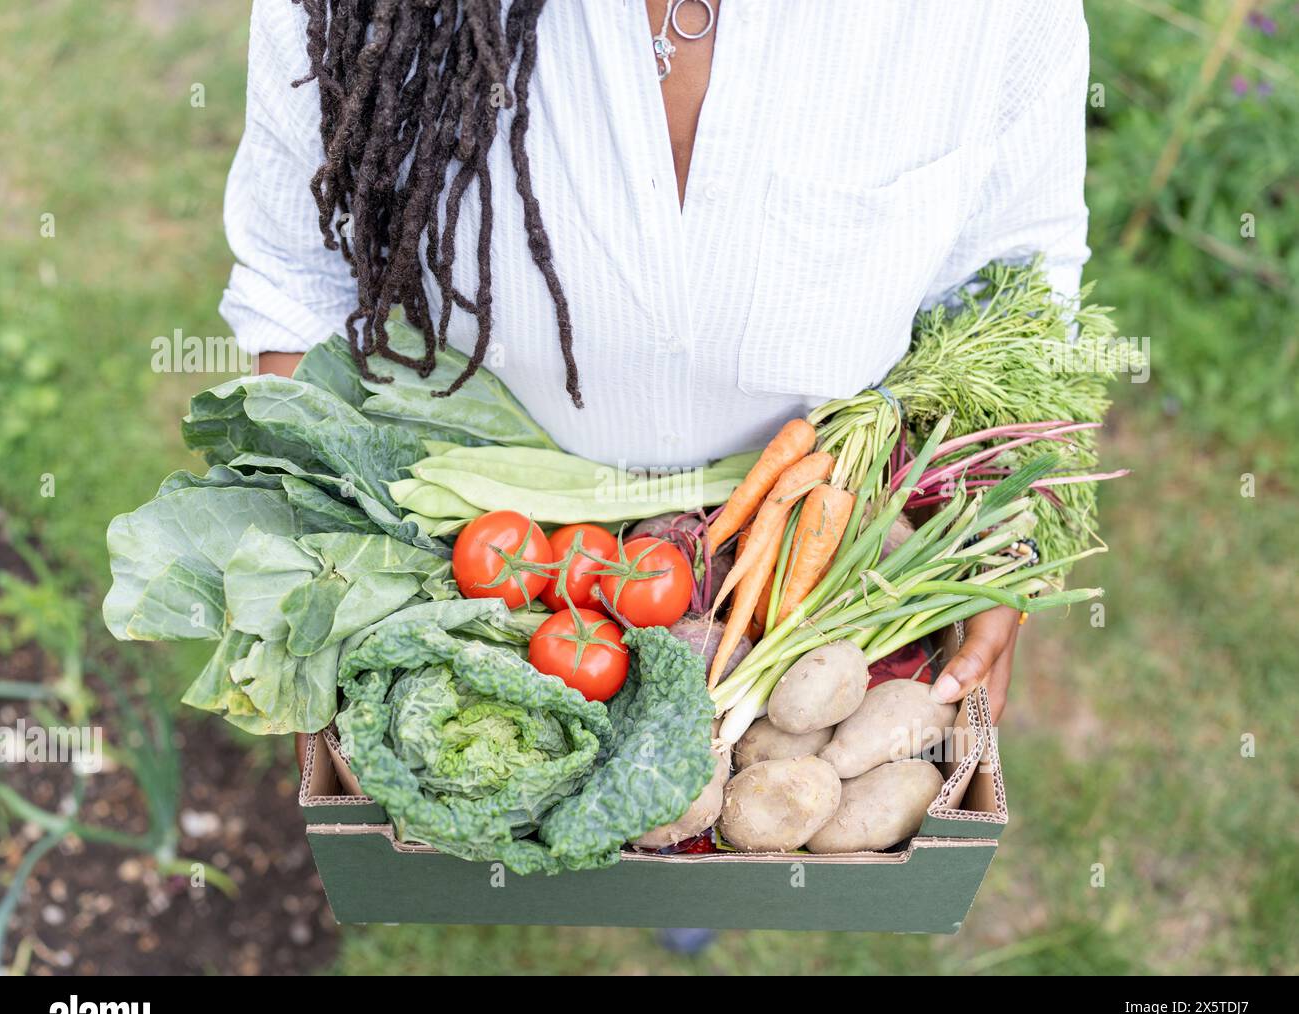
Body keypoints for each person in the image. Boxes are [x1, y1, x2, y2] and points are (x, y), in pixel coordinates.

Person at [224, 0, 1091, 730]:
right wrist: (325, 572)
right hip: (475, 553)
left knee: (710, 798)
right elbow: (300, 274)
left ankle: (689, 891)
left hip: (814, 554)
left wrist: (998, 545)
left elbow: (1012, 284)